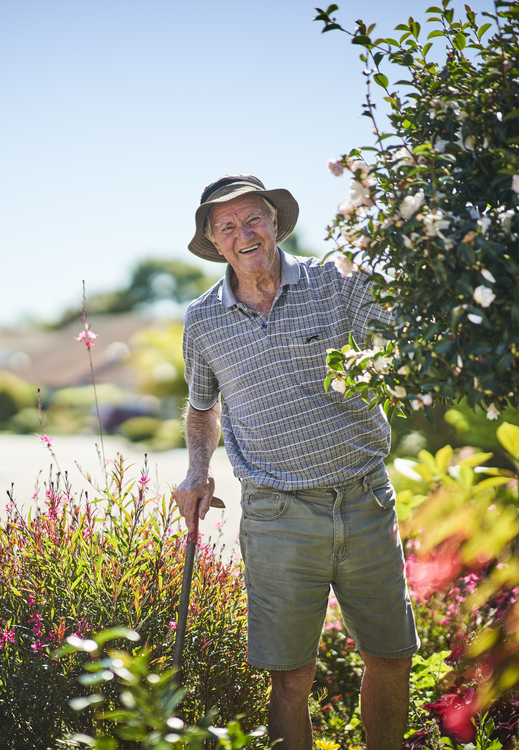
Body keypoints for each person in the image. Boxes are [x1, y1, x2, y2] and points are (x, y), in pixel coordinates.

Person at [174, 175, 419, 750]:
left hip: (363, 499)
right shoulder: (203, 320)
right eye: (227, 226)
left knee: (391, 656)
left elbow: (391, 351)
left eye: (253, 218)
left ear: (276, 224)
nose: (244, 233)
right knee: (290, 677)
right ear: (214, 243)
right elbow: (201, 409)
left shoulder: (336, 280)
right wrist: (196, 470)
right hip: (276, 514)